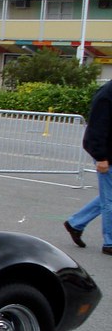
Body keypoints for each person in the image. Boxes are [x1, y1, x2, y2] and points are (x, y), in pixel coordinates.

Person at [64, 81, 112, 255]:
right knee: (110, 200)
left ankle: (76, 223)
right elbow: (97, 128)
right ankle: (110, 242)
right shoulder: (107, 94)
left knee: (109, 196)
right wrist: (100, 157)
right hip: (107, 155)